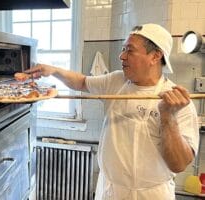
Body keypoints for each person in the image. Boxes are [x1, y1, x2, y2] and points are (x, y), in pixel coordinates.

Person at [25, 23, 199, 199]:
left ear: (155, 56)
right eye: (123, 49)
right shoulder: (116, 81)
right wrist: (54, 70)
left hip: (151, 194)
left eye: (130, 50)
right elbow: (82, 82)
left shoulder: (178, 102)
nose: (121, 56)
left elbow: (179, 164)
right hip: (110, 190)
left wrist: (168, 117)